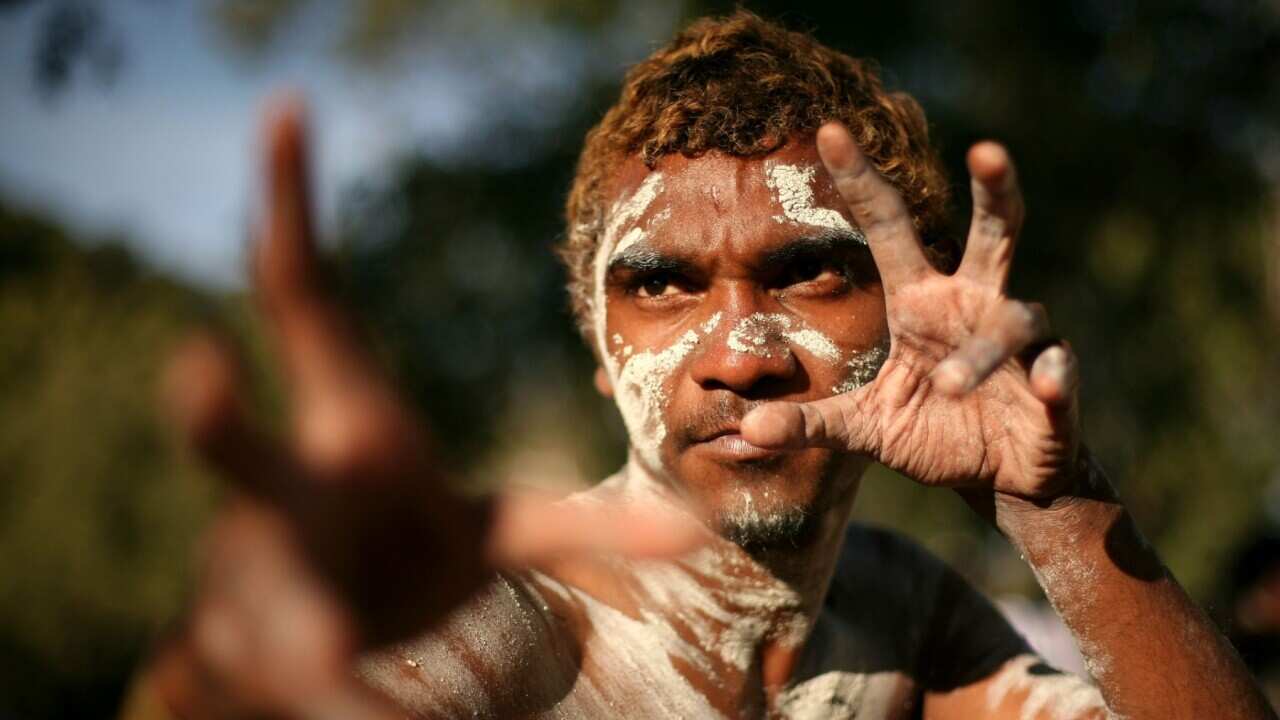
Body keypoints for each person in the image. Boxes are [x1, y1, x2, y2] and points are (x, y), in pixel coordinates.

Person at [132, 12, 1275, 719]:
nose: (740, 353)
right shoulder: (524, 633)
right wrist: (204, 688)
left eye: (810, 273)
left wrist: (1055, 509)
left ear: (904, 319)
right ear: (597, 352)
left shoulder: (901, 626)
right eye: (663, 285)